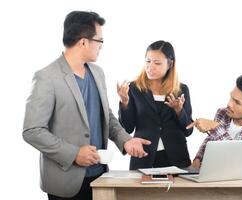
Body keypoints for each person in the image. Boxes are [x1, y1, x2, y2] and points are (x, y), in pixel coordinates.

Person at [23, 11, 151, 200]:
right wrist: (74, 153)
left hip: (100, 178)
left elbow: (106, 116)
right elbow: (32, 131)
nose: (101, 47)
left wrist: (126, 140)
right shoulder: (46, 77)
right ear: (83, 42)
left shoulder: (98, 73)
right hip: (64, 183)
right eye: (100, 41)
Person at [117, 40, 193, 170]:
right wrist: (125, 103)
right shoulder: (134, 88)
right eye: (148, 61)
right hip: (143, 155)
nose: (150, 67)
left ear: (170, 64)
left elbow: (188, 130)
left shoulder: (181, 90)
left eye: (157, 63)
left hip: (176, 157)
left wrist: (179, 110)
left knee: (177, 191)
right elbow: (128, 128)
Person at [187, 75, 242, 176]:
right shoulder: (223, 113)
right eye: (231, 97)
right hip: (211, 178)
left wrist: (215, 127)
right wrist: (198, 158)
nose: (229, 104)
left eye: (237, 102)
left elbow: (241, 166)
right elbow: (210, 140)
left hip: (241, 187)